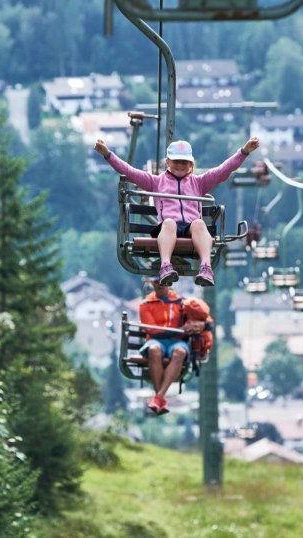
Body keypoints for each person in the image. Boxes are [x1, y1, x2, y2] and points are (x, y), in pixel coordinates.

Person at [95, 136, 261, 287]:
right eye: (176, 161)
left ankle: (205, 267)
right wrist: (108, 155)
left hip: (190, 229)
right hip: (169, 228)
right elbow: (129, 172)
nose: (180, 165)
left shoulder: (199, 183)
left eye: (184, 161)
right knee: (169, 223)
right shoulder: (156, 182)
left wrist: (244, 152)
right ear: (168, 162)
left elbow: (223, 170)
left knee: (199, 223)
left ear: (190, 164)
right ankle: (165, 266)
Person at [138, 278, 207, 415]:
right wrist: (179, 329)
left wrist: (194, 326)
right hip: (156, 340)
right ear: (152, 284)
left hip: (176, 341)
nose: (160, 286)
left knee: (180, 352)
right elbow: (153, 330)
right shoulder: (146, 304)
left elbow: (196, 321)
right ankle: (160, 398)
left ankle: (158, 397)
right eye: (157, 284)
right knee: (154, 350)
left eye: (163, 283)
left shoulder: (181, 303)